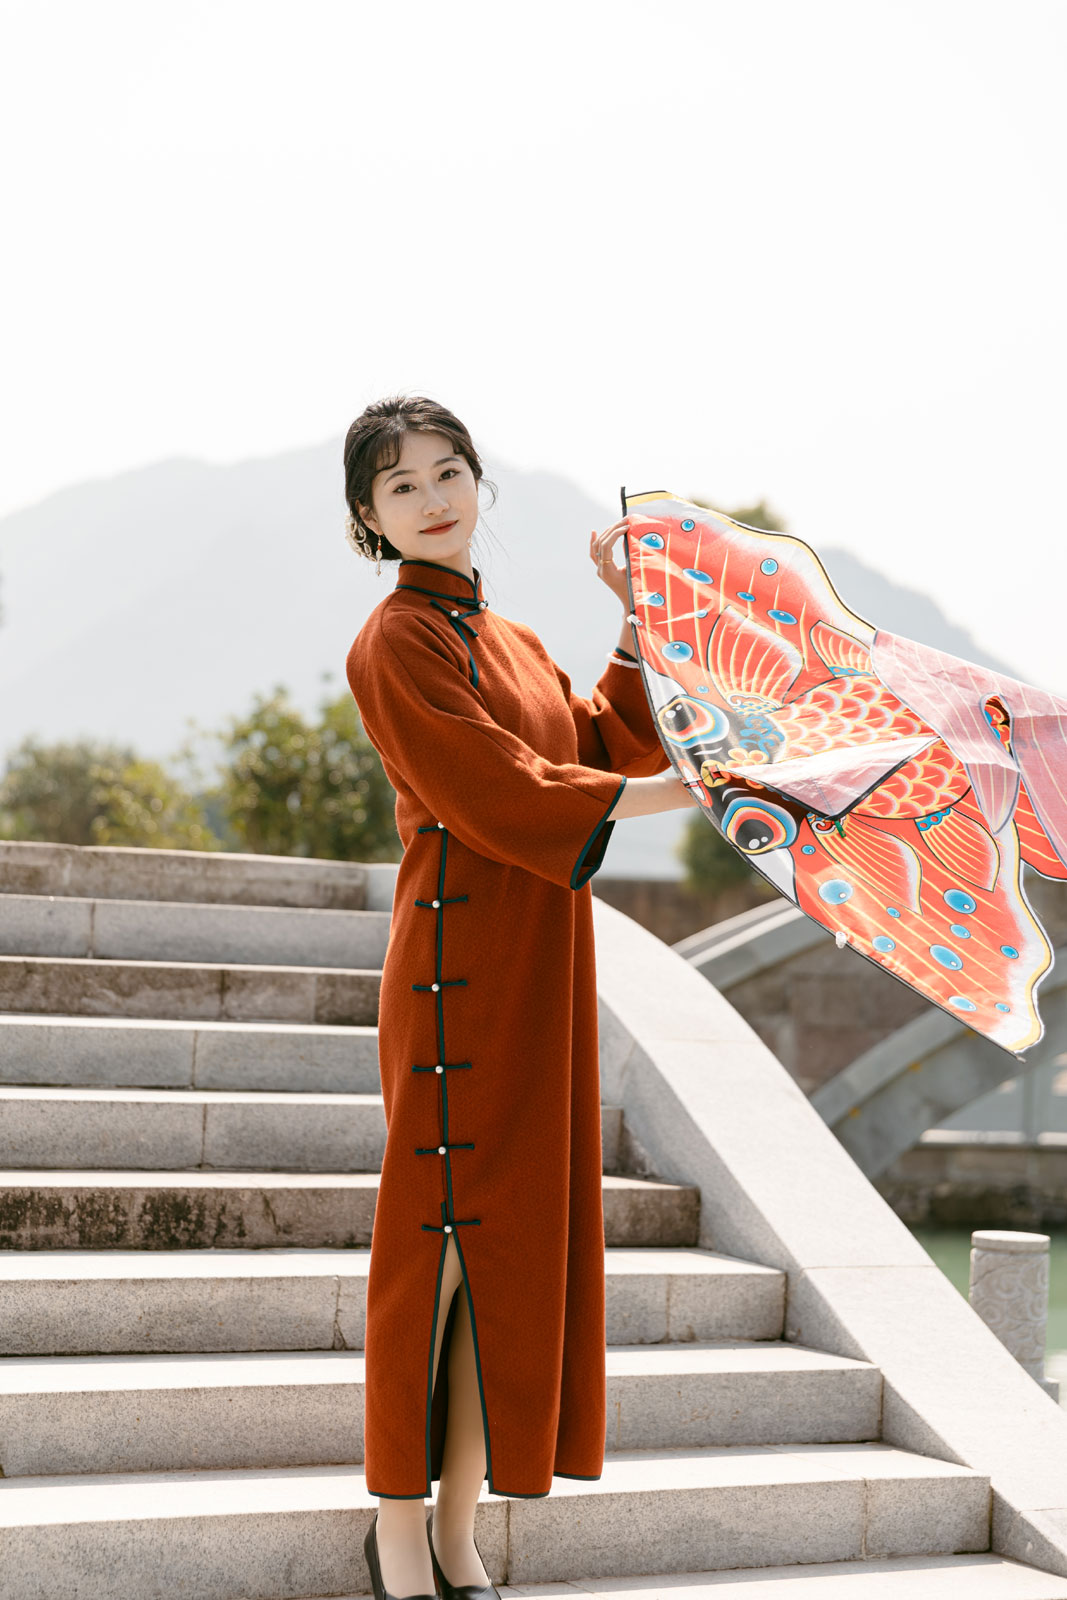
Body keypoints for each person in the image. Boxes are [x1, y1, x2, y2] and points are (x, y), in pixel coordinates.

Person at [343, 395, 695, 1600]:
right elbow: (506, 791)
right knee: (437, 1250)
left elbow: (591, 743)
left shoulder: (515, 637)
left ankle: (455, 1533)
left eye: (449, 472)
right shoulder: (395, 642)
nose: (434, 497)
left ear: (478, 483)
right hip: (458, 970)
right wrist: (701, 794)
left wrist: (637, 631)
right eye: (402, 486)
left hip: (541, 956)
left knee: (510, 1253)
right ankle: (398, 1540)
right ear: (368, 519)